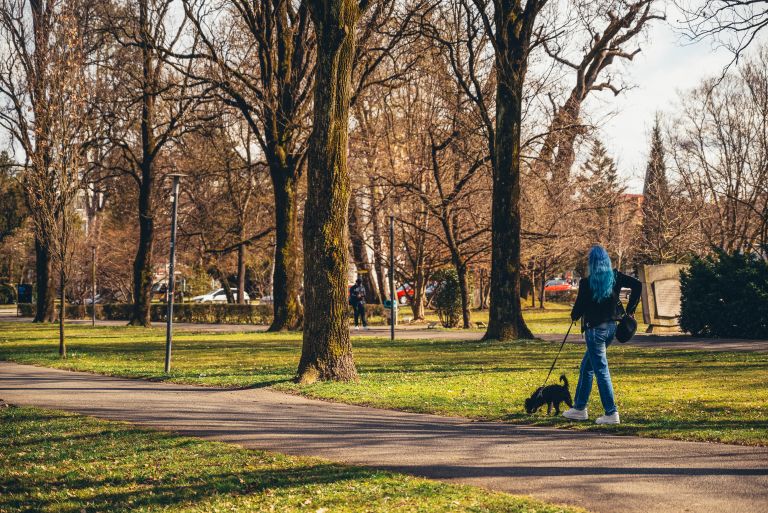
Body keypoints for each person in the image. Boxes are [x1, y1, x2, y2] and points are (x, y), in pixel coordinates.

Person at [562, 245, 641, 425]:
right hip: (611, 328)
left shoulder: (586, 283)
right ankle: (579, 408)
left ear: (591, 263)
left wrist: (574, 315)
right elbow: (637, 285)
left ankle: (611, 412)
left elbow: (578, 309)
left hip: (594, 330)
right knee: (587, 367)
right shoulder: (615, 277)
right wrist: (631, 310)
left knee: (601, 370)